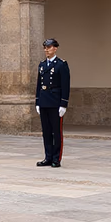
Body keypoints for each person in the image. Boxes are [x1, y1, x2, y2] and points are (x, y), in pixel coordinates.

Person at [35, 38, 69, 168]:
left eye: (49, 47)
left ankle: (56, 158)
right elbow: (39, 85)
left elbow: (65, 85)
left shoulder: (61, 64)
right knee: (46, 131)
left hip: (55, 102)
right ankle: (48, 157)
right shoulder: (42, 65)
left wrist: (63, 104)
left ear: (55, 48)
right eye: (45, 48)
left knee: (56, 131)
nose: (46, 50)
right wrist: (37, 101)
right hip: (44, 101)